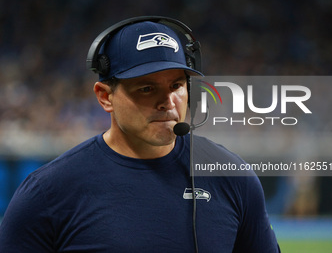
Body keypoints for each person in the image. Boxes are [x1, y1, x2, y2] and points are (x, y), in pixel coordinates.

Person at [0, 17, 281, 252]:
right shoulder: (48, 193)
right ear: (105, 96)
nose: (168, 102)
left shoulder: (233, 177)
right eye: (146, 88)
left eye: (176, 86)